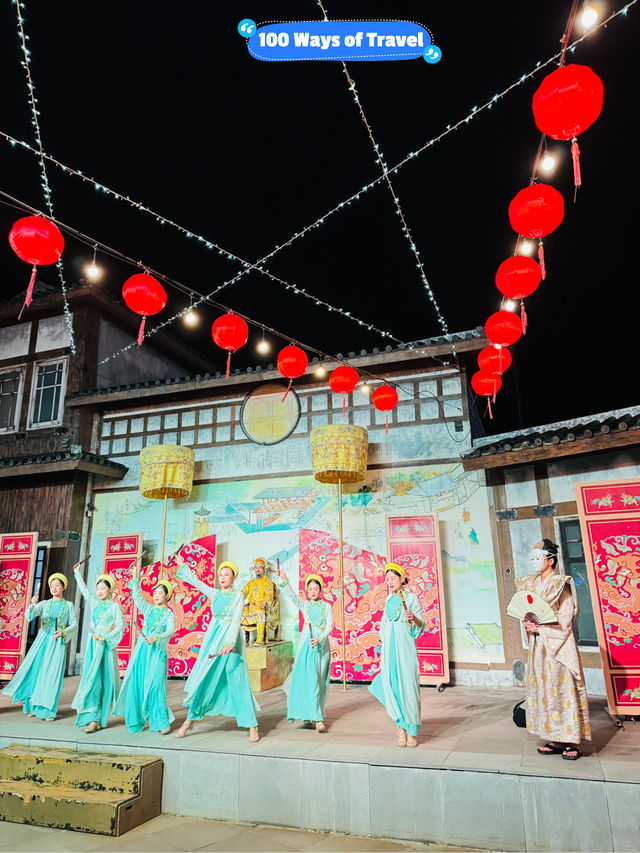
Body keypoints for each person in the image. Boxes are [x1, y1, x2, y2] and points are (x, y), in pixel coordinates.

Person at [517, 539, 591, 760]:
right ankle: (554, 737)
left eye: (538, 557)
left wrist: (543, 628)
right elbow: (527, 611)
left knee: (562, 688)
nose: (534, 561)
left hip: (557, 644)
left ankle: (570, 740)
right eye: (532, 557)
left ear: (550, 560)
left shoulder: (561, 583)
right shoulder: (529, 583)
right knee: (544, 689)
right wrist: (529, 625)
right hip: (539, 648)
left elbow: (566, 616)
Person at [174, 559, 260, 742]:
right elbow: (196, 581)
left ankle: (252, 725)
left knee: (238, 679)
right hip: (213, 640)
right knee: (205, 678)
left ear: (233, 577)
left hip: (231, 641)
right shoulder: (215, 593)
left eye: (226, 574)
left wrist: (230, 642)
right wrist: (183, 565)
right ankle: (188, 723)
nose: (222, 577)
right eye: (220, 574)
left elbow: (236, 620)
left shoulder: (238, 596)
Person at [2, 571, 77, 721]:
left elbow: (74, 623)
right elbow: (30, 616)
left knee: (51, 675)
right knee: (34, 672)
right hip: (42, 640)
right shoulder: (44, 604)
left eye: (58, 585)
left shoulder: (69, 605)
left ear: (63, 587)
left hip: (57, 642)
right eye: (52, 585)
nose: (54, 588)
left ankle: (47, 710)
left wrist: (63, 632)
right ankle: (31, 706)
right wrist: (33, 604)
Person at [114, 559, 175, 734]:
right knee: (137, 684)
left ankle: (160, 722)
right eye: (155, 593)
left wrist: (156, 637)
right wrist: (135, 577)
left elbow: (170, 631)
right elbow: (137, 597)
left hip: (157, 653)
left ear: (166, 596)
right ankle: (136, 720)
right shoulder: (148, 610)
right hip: (142, 651)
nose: (156, 595)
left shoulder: (168, 613)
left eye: (160, 593)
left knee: (156, 686)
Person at [369, 563, 424, 748]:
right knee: (391, 685)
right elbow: (384, 624)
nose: (389, 581)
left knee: (408, 686)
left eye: (392, 578)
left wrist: (413, 618)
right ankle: (400, 727)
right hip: (389, 647)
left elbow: (420, 625)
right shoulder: (388, 600)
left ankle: (413, 731)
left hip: (405, 646)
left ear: (401, 579)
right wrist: (382, 642)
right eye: (387, 579)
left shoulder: (412, 598)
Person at [275, 567, 333, 732]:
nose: (312, 591)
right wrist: (283, 580)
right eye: (310, 589)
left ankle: (312, 714)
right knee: (309, 679)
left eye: (316, 588)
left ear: (321, 590)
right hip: (306, 646)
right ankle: (316, 719)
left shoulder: (327, 607)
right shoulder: (305, 605)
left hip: (321, 647)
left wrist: (320, 639)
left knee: (318, 680)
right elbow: (292, 595)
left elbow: (329, 626)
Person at [71, 565, 124, 733]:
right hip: (93, 645)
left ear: (110, 590)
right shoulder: (94, 602)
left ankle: (99, 718)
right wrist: (77, 574)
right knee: (91, 678)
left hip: (105, 646)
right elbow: (85, 592)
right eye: (98, 589)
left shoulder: (114, 606)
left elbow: (121, 626)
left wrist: (106, 637)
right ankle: (92, 718)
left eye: (103, 589)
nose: (99, 591)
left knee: (104, 680)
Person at [241, 557, 279, 645]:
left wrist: (265, 602)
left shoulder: (267, 582)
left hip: (261, 607)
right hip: (251, 607)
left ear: (264, 569)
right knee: (239, 611)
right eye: (255, 567)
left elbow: (270, 596)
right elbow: (243, 592)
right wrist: (237, 598)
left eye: (260, 567)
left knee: (260, 613)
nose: (257, 570)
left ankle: (259, 639)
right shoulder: (251, 582)